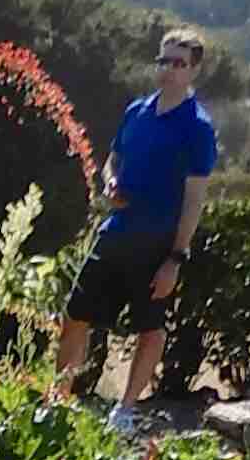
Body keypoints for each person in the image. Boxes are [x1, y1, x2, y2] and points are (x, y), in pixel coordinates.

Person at [55, 30, 218, 428]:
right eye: (164, 61)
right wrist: (110, 181)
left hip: (158, 243)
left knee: (150, 329)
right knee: (75, 315)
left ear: (194, 69)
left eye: (178, 63)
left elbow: (194, 199)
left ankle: (125, 411)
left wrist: (175, 259)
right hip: (115, 232)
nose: (168, 70)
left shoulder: (198, 127)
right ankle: (57, 403)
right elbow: (113, 160)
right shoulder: (136, 111)